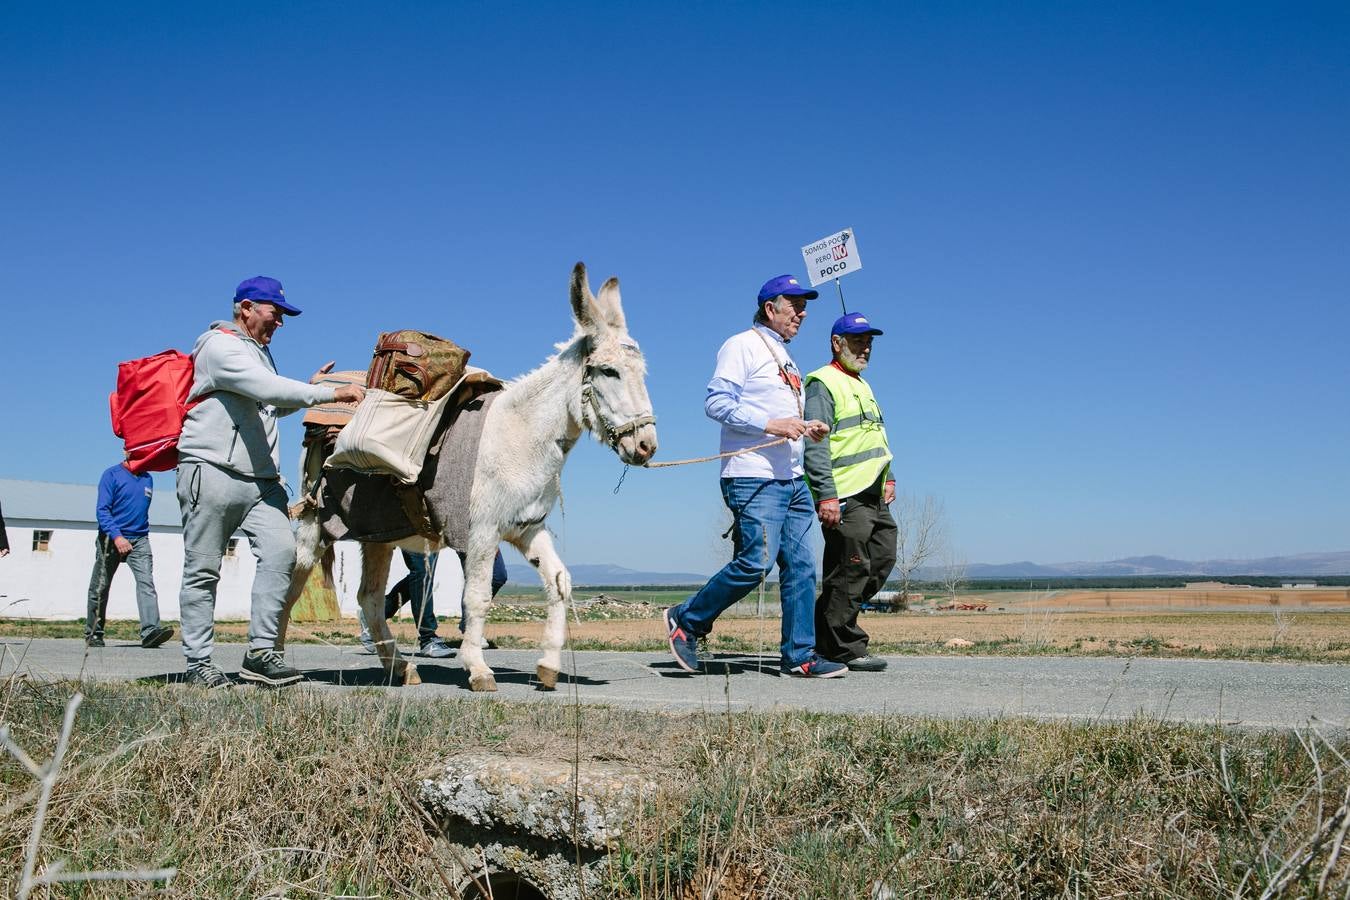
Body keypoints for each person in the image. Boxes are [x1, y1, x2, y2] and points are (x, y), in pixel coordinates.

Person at [176, 275, 365, 689]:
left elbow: (267, 403)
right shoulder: (218, 346)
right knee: (203, 569)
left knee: (282, 554)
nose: (279, 321)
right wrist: (328, 396)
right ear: (246, 308)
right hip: (211, 470)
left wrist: (308, 389)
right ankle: (198, 663)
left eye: (281, 315)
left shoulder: (259, 354)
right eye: (274, 312)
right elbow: (265, 388)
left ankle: (261, 654)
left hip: (260, 481)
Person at [663, 274, 846, 678]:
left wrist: (804, 425)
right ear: (770, 308)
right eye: (794, 305)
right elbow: (716, 403)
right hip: (753, 475)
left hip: (793, 479)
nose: (802, 313)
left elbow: (781, 413)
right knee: (756, 562)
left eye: (805, 306)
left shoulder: (784, 356)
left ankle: (800, 655)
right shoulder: (741, 345)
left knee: (800, 567)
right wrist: (772, 424)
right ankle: (686, 620)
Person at [804, 312, 897, 672]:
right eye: (858, 341)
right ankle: (844, 647)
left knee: (882, 557)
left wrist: (889, 475)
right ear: (836, 343)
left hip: (873, 491)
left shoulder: (862, 384)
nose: (866, 348)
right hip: (845, 494)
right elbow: (815, 445)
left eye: (869, 341)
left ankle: (822, 629)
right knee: (851, 568)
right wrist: (825, 494)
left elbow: (873, 438)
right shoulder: (822, 383)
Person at [85, 461, 174, 648]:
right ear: (127, 450)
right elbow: (102, 511)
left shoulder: (147, 478)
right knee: (100, 587)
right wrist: (117, 537)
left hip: (140, 539)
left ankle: (150, 631)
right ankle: (94, 633)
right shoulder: (111, 475)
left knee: (146, 583)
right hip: (111, 538)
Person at [357, 547, 508, 654]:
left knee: (496, 575)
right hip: (420, 516)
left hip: (461, 519)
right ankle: (427, 638)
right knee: (423, 569)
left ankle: (375, 613)